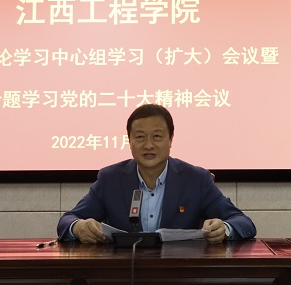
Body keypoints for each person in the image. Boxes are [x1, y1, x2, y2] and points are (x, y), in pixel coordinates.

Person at [57, 104, 256, 244]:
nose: (148, 145)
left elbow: (243, 222)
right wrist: (78, 227)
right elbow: (67, 220)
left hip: (181, 274)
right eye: (140, 137)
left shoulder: (196, 179)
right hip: (122, 274)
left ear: (171, 139)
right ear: (130, 141)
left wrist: (224, 229)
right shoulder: (110, 179)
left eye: (157, 136)